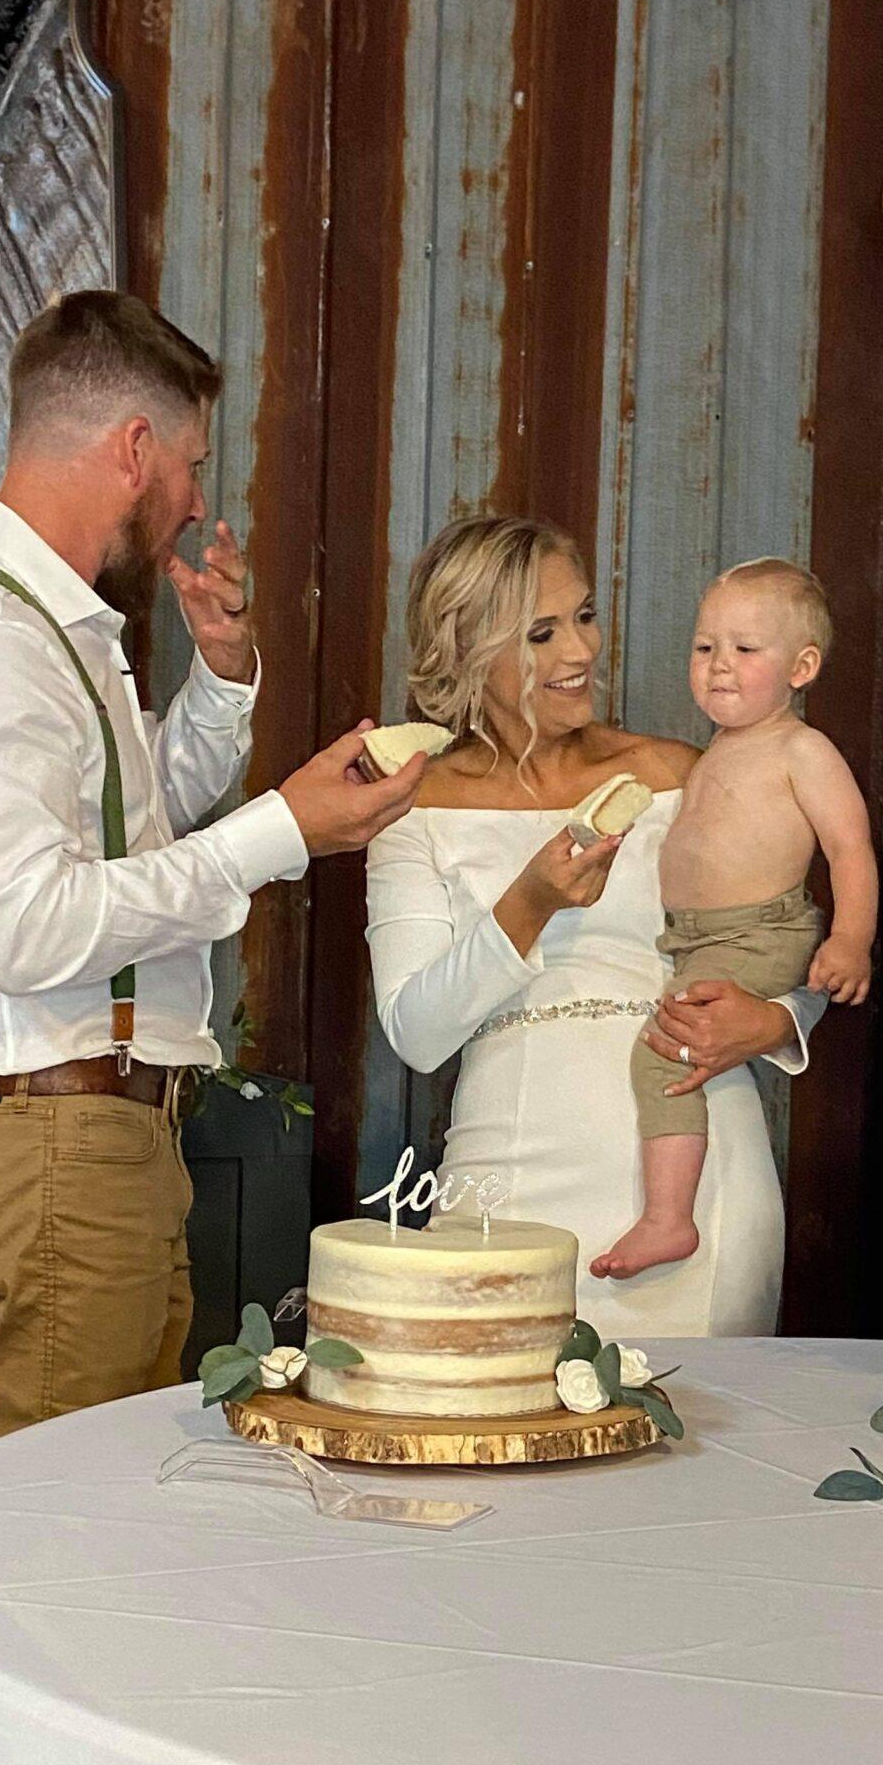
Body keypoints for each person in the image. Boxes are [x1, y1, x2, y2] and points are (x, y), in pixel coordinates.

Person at [0, 291, 423, 1453]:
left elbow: (130, 833)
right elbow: (28, 925)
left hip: (85, 1141)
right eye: (193, 460)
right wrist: (284, 831)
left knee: (92, 1497)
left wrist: (222, 678)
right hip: (51, 1146)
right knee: (52, 1530)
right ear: (132, 448)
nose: (198, 498)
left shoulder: (44, 623)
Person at [365, 514, 826, 1337]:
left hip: (697, 1159)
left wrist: (776, 1020)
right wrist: (532, 899)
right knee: (489, 1433)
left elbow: (777, 935)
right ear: (469, 644)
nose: (581, 652)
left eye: (583, 616)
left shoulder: (681, 773)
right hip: (507, 1165)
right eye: (542, 632)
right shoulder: (415, 810)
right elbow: (416, 1031)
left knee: (701, 1444)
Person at [590, 559, 876, 1281]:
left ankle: (669, 1219)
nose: (719, 666)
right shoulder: (719, 748)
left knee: (664, 1053)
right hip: (697, 938)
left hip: (760, 932)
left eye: (745, 650)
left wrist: (851, 939)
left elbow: (850, 850)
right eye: (704, 647)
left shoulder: (801, 750)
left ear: (801, 668)